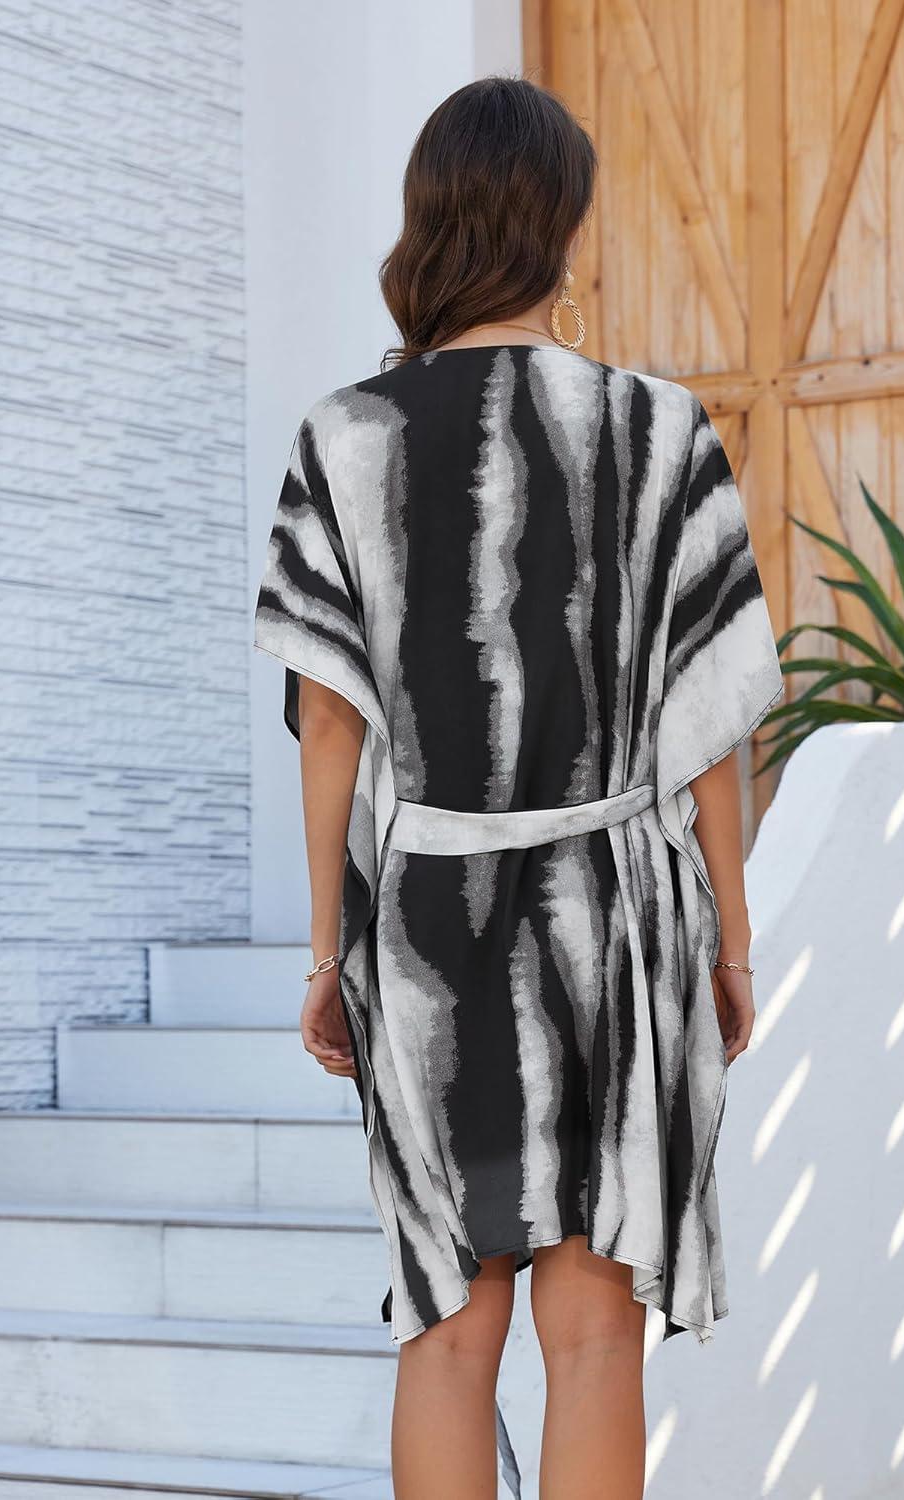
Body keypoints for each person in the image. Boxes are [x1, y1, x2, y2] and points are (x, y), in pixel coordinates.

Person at [253, 75, 783, 1500]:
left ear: (429, 220)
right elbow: (709, 722)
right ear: (564, 228)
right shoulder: (662, 433)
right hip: (613, 916)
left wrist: (329, 953)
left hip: (430, 921)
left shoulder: (344, 437)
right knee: (597, 1337)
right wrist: (731, 940)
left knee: (444, 1333)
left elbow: (326, 722)